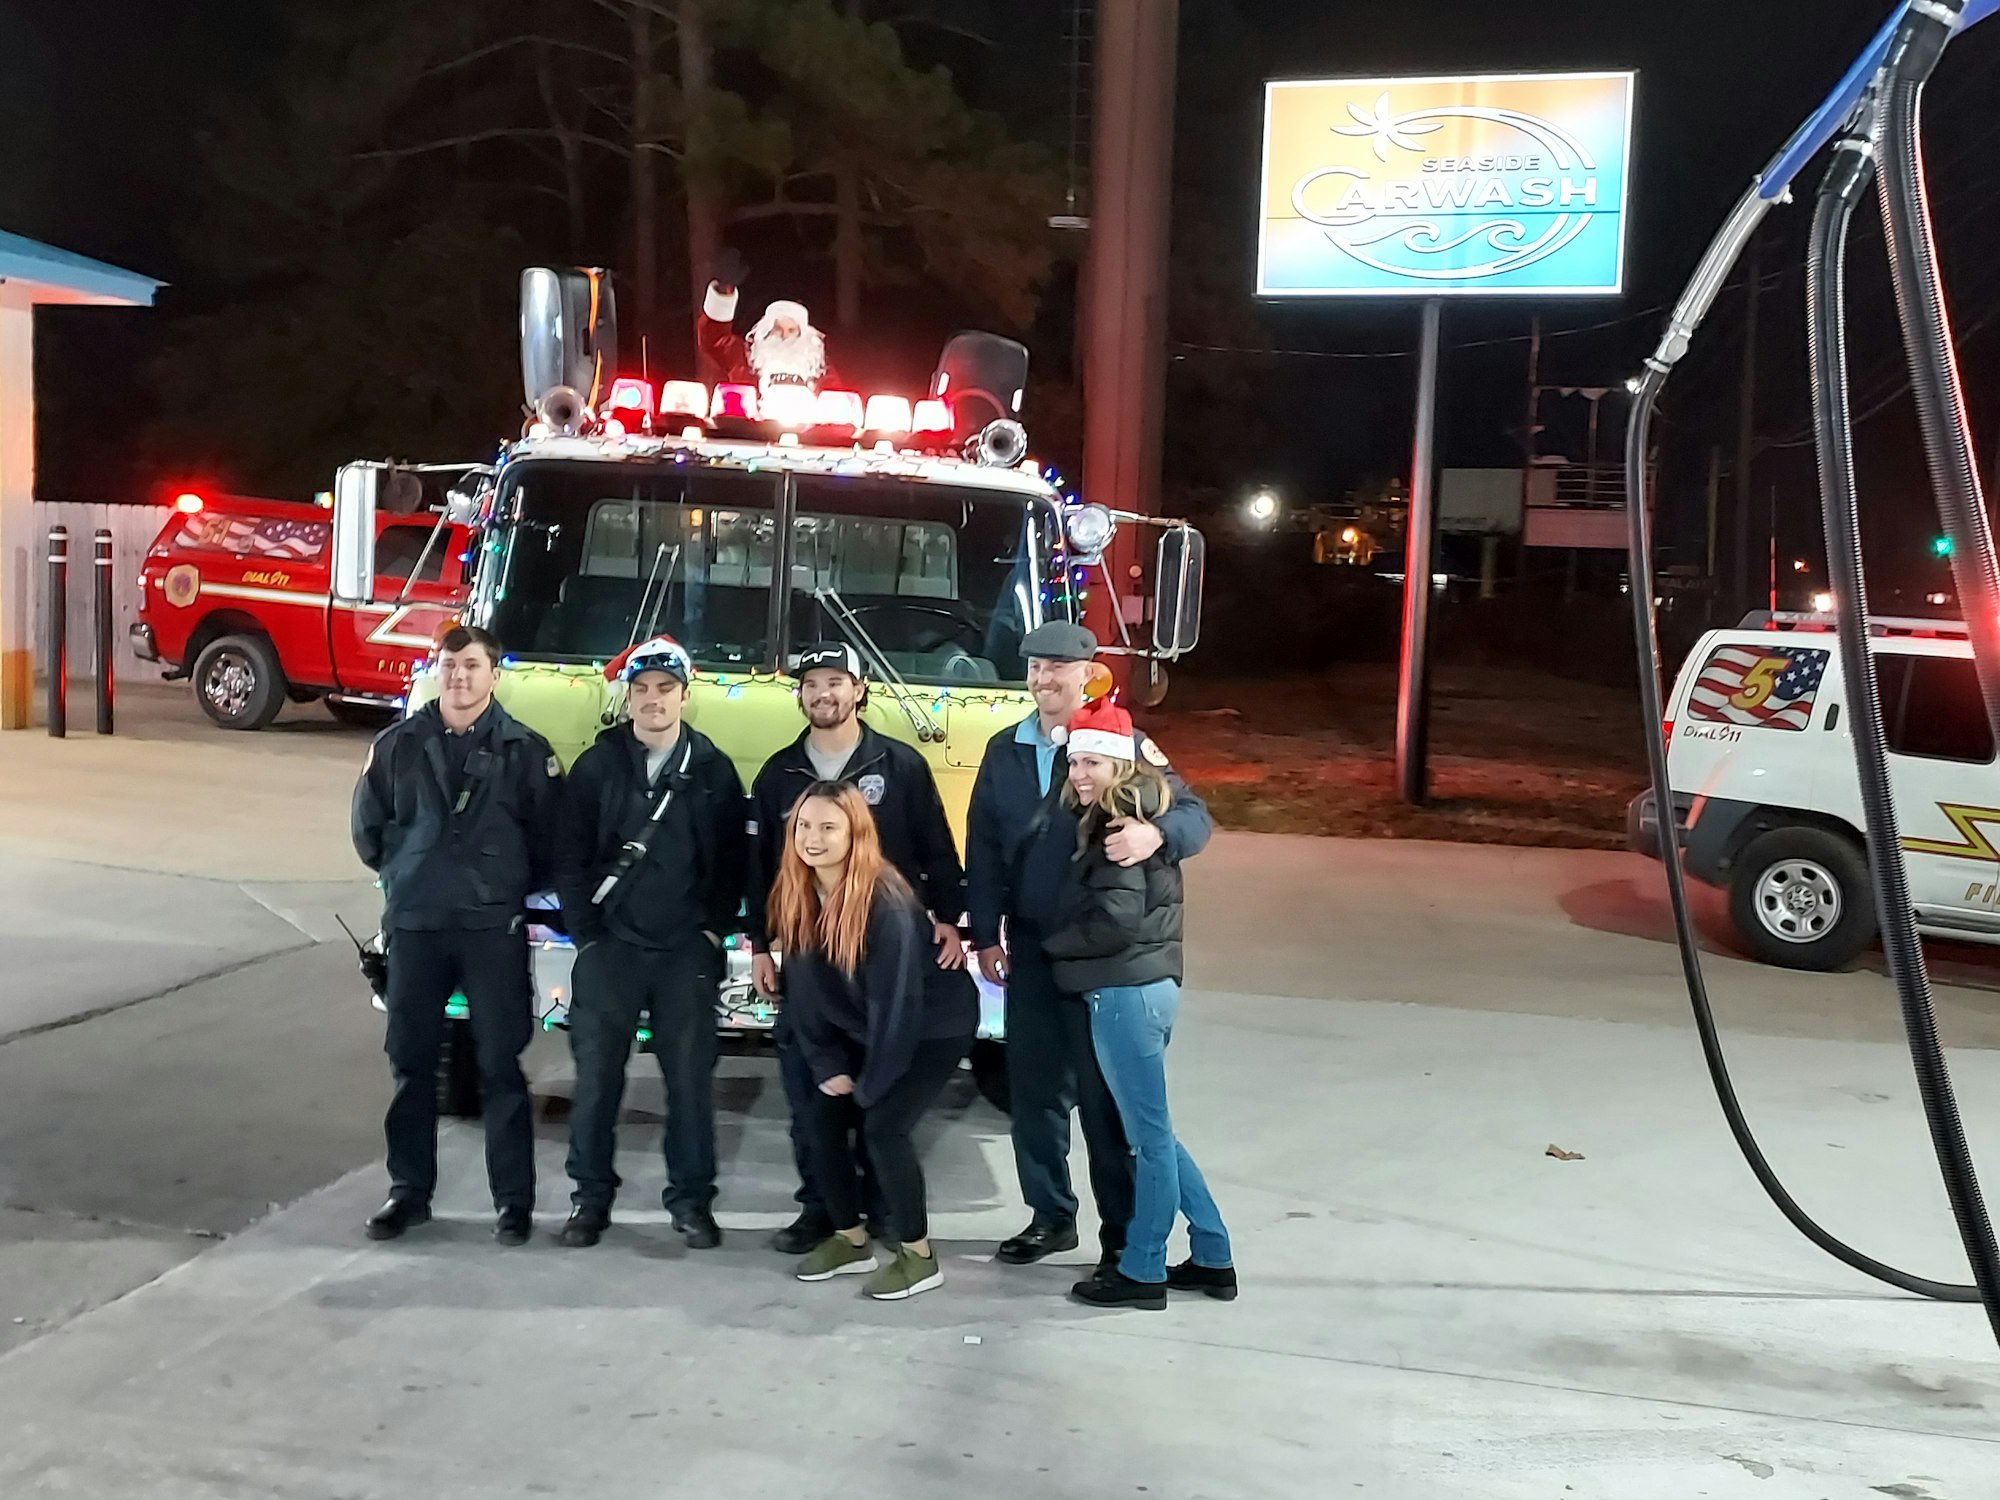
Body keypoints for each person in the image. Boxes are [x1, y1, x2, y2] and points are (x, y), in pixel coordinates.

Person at [966, 620, 1212, 1272]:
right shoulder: (1005, 749)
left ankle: (1121, 1240)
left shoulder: (1125, 743)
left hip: (1106, 961)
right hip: (1033, 952)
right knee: (1034, 1096)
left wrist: (1153, 837)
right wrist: (984, 932)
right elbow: (984, 846)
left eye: (1058, 668)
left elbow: (1194, 816)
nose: (1045, 679)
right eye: (1036, 668)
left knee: (1107, 1108)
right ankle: (1050, 1218)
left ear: (1087, 674)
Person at [745, 642, 969, 1254]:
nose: (824, 694)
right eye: (812, 683)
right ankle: (823, 1210)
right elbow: (759, 865)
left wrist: (950, 919)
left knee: (878, 1102)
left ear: (859, 690)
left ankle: (884, 1212)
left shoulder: (899, 765)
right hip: (814, 960)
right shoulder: (777, 774)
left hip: (885, 962)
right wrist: (761, 943)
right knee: (811, 1101)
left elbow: (937, 848)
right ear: (800, 695)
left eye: (836, 682)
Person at [351, 624, 562, 1246]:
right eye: (450, 665)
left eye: (471, 666)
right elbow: (369, 828)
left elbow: (549, 841)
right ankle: (408, 1194)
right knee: (411, 1064)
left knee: (500, 1065)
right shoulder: (398, 743)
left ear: (495, 675)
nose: (459, 677)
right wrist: (408, 871)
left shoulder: (526, 750)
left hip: (489, 928)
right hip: (416, 925)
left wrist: (498, 886)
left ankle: (512, 1203)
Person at [552, 635, 749, 1250]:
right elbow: (570, 854)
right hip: (609, 950)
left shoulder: (714, 771)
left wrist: (712, 932)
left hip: (683, 954)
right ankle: (589, 1202)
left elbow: (732, 861)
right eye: (641, 691)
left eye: (665, 690)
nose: (653, 701)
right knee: (596, 1086)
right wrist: (585, 934)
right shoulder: (596, 766)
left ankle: (691, 1204)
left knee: (690, 1088)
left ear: (685, 696)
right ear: (627, 697)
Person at [1042, 698, 1235, 1309]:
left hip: (1126, 990)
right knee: (1157, 1133)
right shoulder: (1128, 813)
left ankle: (1143, 1269)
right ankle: (1212, 1254)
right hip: (1143, 987)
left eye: (1093, 762)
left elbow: (1118, 923)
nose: (1080, 774)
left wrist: (1051, 947)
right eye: (1075, 762)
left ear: (1121, 765)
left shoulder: (1120, 826)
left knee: (1146, 1140)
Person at [769, 782, 978, 1301]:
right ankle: (850, 1239)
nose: (812, 839)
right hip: (864, 1022)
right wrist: (825, 1063)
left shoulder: (884, 901)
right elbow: (803, 988)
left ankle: (919, 1256)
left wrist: (869, 1089)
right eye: (804, 826)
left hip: (932, 1026)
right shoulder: (797, 888)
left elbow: (898, 1006)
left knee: (882, 1129)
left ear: (856, 833)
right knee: (818, 1114)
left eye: (828, 827)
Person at [698, 250, 845, 393]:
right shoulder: (747, 359)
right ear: (767, 330)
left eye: (791, 330)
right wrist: (724, 290)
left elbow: (837, 405)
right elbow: (714, 340)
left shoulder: (819, 369)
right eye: (778, 329)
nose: (784, 336)